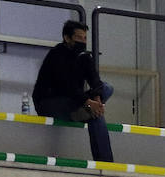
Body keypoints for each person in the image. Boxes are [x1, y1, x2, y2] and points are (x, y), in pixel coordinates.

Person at [32, 20, 114, 162]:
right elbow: (65, 86)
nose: (82, 41)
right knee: (95, 115)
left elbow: (95, 80)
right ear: (67, 38)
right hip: (50, 102)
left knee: (106, 90)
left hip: (73, 102)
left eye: (84, 38)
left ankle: (87, 111)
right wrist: (88, 102)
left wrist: (97, 100)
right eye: (78, 38)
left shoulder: (84, 57)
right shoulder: (56, 55)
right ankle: (106, 164)